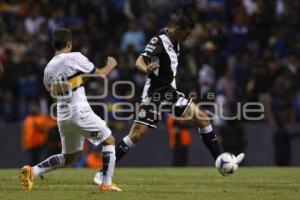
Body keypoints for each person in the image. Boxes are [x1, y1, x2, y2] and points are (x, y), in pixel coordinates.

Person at [94, 16, 244, 184]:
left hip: (170, 93)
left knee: (203, 119)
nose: (187, 37)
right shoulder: (159, 40)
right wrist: (147, 68)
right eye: (186, 33)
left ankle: (220, 160)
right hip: (154, 94)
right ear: (178, 29)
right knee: (136, 135)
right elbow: (139, 61)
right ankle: (102, 172)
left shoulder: (175, 41)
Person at [21, 28, 122, 192]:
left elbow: (53, 95)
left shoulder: (47, 70)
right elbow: (100, 74)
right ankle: (107, 183)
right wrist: (110, 65)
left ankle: (33, 171)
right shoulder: (75, 57)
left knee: (69, 157)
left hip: (62, 114)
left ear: (54, 45)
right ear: (69, 43)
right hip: (79, 111)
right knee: (109, 140)